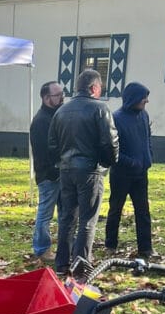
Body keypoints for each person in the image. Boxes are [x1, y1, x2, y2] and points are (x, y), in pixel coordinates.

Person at [48, 69, 119, 277]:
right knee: (87, 220)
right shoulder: (100, 108)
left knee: (67, 218)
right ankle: (80, 268)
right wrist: (107, 162)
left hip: (67, 169)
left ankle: (62, 265)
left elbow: (52, 143)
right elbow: (110, 141)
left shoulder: (61, 111)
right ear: (94, 88)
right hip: (90, 169)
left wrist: (61, 162)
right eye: (100, 88)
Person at [104, 81, 155, 259]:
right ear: (134, 98)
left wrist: (148, 156)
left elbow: (147, 137)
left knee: (143, 210)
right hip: (121, 174)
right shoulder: (116, 118)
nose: (146, 101)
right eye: (143, 98)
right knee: (115, 209)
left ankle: (146, 248)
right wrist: (131, 163)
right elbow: (112, 149)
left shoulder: (144, 115)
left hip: (141, 173)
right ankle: (110, 244)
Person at [29, 81, 64, 261]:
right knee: (45, 214)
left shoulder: (57, 115)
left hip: (60, 172)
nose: (62, 97)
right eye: (57, 95)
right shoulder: (41, 121)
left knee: (65, 212)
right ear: (46, 98)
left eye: (62, 93)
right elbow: (43, 152)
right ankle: (42, 249)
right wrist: (52, 171)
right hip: (49, 175)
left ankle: (63, 247)